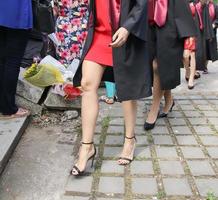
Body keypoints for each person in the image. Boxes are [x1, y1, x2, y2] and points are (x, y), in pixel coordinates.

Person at [71, 0, 151, 176]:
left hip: (125, 35)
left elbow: (141, 3)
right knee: (87, 84)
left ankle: (130, 140)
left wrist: (128, 26)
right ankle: (87, 147)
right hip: (99, 35)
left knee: (126, 90)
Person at [144, 0, 197, 130]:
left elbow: (184, 11)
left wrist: (189, 43)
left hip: (170, 27)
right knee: (157, 67)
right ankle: (169, 100)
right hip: (149, 27)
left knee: (159, 65)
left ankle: (154, 107)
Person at [0, 0, 32, 119]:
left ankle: (4, 105)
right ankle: (8, 108)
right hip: (16, 14)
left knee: (2, 59)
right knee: (12, 61)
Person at [53, 0, 89, 67]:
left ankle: (64, 74)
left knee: (62, 53)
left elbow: (55, 11)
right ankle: (78, 74)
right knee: (80, 53)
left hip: (62, 25)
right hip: (81, 25)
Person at [183, 0, 198, 90]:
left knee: (191, 54)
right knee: (184, 56)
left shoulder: (195, 3)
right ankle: (187, 71)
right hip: (180, 29)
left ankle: (191, 78)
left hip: (191, 30)